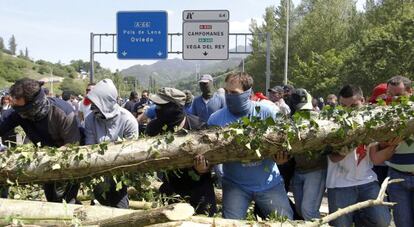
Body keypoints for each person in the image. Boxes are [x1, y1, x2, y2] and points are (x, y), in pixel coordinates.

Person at [208, 72, 293, 220]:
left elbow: (288, 142)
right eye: (226, 91)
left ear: (247, 93)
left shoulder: (268, 112)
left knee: (284, 222)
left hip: (269, 183)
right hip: (235, 186)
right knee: (230, 224)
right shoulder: (215, 120)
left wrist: (283, 159)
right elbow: (210, 154)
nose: (228, 96)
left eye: (234, 92)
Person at [0, 78, 81, 203]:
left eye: (22, 109)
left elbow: (72, 145)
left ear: (34, 105)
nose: (19, 113)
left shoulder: (62, 112)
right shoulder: (18, 111)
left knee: (66, 200)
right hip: (45, 160)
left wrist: (49, 158)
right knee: (51, 197)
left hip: (68, 159)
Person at [145, 87, 217, 216]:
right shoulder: (154, 129)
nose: (157, 109)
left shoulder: (199, 127)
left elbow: (214, 157)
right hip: (171, 189)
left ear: (175, 107)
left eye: (162, 106)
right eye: (156, 105)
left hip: (199, 189)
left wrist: (204, 169)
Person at [326, 85, 391, 227]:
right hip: (339, 185)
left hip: (367, 181)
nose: (348, 110)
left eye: (354, 105)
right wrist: (356, 139)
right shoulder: (331, 123)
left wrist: (393, 145)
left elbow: (375, 158)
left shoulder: (370, 121)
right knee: (341, 225)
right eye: (344, 106)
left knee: (383, 221)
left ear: (363, 100)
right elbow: (334, 157)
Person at [84, 79, 138, 208]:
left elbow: (132, 152)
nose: (92, 107)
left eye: (95, 104)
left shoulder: (128, 120)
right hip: (97, 173)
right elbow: (90, 147)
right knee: (97, 208)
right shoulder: (90, 119)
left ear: (105, 102)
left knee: (119, 208)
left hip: (119, 174)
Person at [378, 76, 414, 227]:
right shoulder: (384, 115)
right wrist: (387, 143)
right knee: (402, 223)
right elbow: (379, 147)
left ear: (410, 92)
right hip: (396, 177)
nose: (394, 99)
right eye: (390, 95)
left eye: (398, 95)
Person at [288, 89, 327, 220]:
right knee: (300, 210)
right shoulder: (291, 120)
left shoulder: (320, 119)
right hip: (299, 170)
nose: (305, 113)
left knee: (308, 211)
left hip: (316, 169)